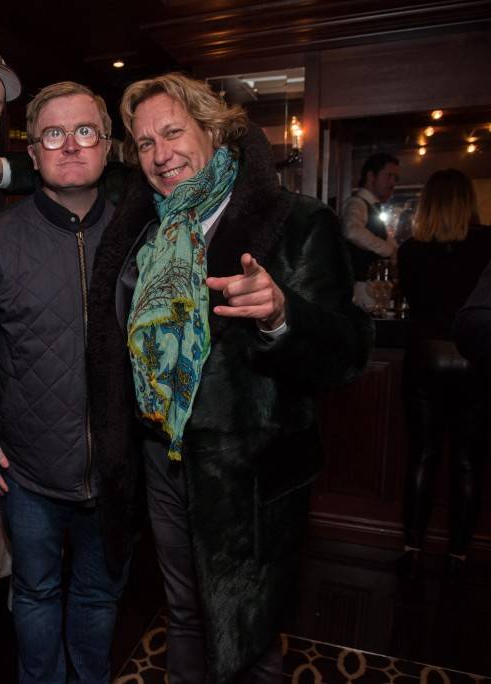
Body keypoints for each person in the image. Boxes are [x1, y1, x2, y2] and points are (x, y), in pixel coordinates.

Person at [86, 73, 372, 682]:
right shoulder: (143, 228)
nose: (160, 155)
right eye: (143, 143)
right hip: (164, 454)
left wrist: (282, 315)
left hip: (252, 473)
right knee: (185, 615)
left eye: (172, 132)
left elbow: (347, 354)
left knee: (251, 635)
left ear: (213, 131)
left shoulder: (298, 222)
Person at [0, 81, 126, 684]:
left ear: (107, 145)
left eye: (84, 131)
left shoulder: (142, 236)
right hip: (28, 468)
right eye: (54, 133)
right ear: (34, 150)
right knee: (36, 593)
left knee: (99, 598)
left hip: (118, 468)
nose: (70, 145)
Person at [395, 168, 491, 578]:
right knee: (468, 460)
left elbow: (412, 302)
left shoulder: (411, 250)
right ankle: (459, 554)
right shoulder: (488, 243)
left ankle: (412, 545)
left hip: (424, 355)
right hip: (474, 358)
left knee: (422, 454)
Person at [340, 152, 400, 284]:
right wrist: (389, 250)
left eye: (395, 178)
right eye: (389, 176)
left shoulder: (372, 207)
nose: (392, 183)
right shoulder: (356, 203)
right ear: (371, 176)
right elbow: (352, 231)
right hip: (361, 287)